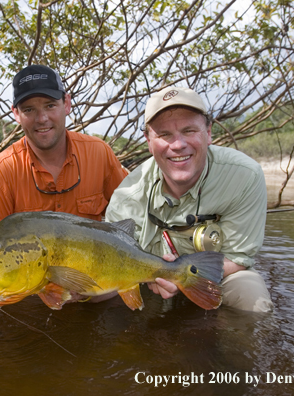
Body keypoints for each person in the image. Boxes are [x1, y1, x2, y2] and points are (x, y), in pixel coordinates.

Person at [105, 86, 273, 312]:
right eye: (164, 134)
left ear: (209, 132)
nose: (177, 145)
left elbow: (238, 258)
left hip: (219, 275)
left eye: (189, 130)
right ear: (148, 140)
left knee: (251, 296)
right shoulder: (126, 197)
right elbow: (113, 265)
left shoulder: (244, 176)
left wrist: (183, 277)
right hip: (148, 281)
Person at [0, 65, 128, 237]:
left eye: (50, 106)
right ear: (16, 114)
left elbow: (133, 213)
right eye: (29, 110)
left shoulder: (99, 154)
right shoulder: (0, 173)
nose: (42, 119)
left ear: (67, 104)